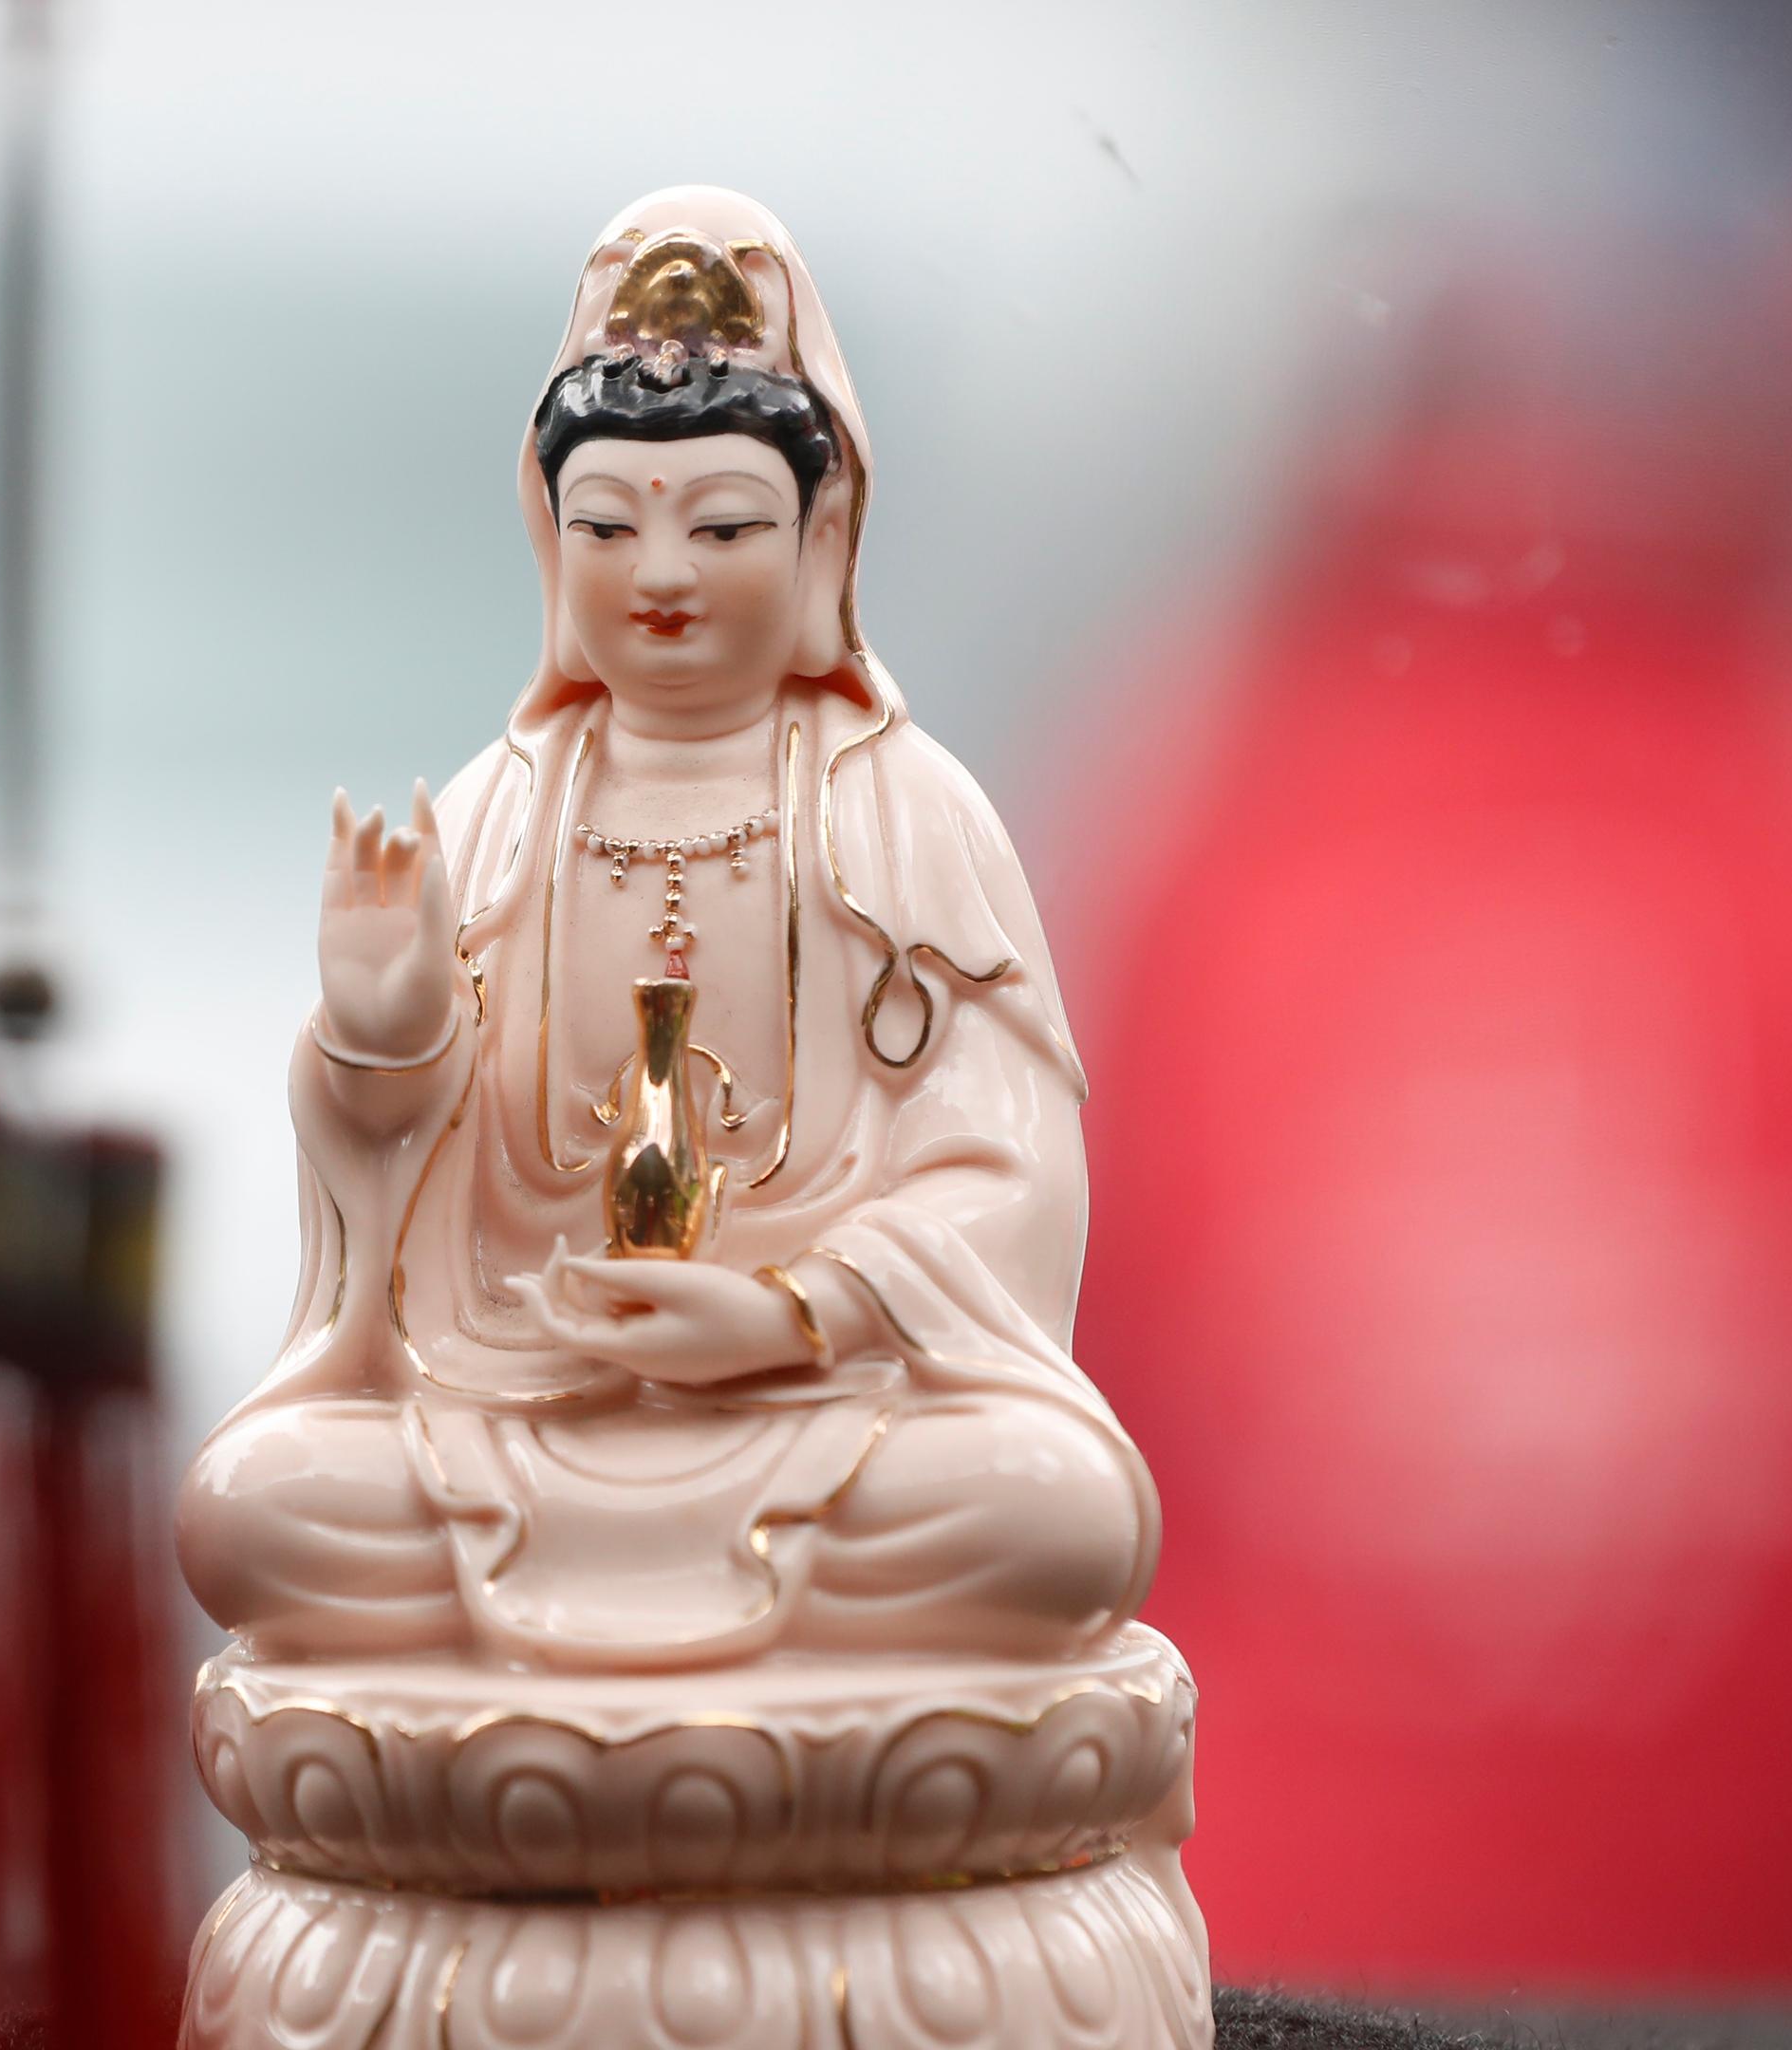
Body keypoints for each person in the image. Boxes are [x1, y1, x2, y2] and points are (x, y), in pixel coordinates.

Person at [178, 187, 1156, 1674]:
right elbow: (405, 1204)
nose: (663, 577)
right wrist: (383, 1043)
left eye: (724, 525)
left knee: (1053, 1511)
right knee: (257, 1510)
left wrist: (792, 1314)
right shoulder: (499, 814)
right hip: (523, 1397)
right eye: (608, 526)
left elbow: (1008, 1170)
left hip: (824, 1408)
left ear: (820, 534)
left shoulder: (906, 812)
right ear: (549, 535)